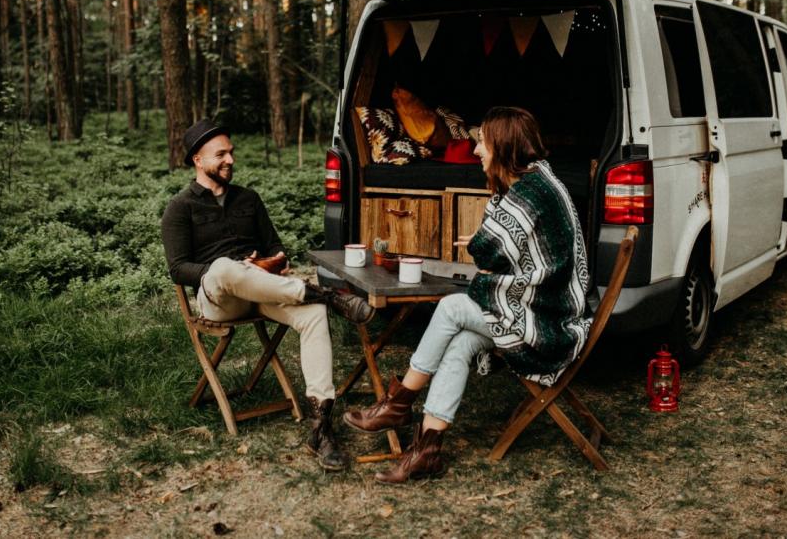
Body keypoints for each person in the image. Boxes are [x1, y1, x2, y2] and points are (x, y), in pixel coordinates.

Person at [343, 107, 591, 483]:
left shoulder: (530, 192)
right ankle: (426, 450)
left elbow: (488, 251)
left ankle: (399, 402)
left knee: (451, 306)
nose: (476, 151)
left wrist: (481, 247)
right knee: (459, 342)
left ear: (504, 147)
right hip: (541, 308)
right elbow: (497, 250)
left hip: (551, 322)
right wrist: (484, 249)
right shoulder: (535, 181)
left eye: (482, 144)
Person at [162, 119, 375, 471]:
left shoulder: (249, 199)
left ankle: (321, 426)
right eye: (221, 154)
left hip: (262, 289)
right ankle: (323, 293)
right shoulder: (180, 208)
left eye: (231, 152)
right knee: (225, 268)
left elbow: (275, 246)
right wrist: (231, 269)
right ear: (198, 160)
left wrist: (274, 260)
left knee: (312, 316)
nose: (230, 159)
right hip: (220, 299)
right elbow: (178, 268)